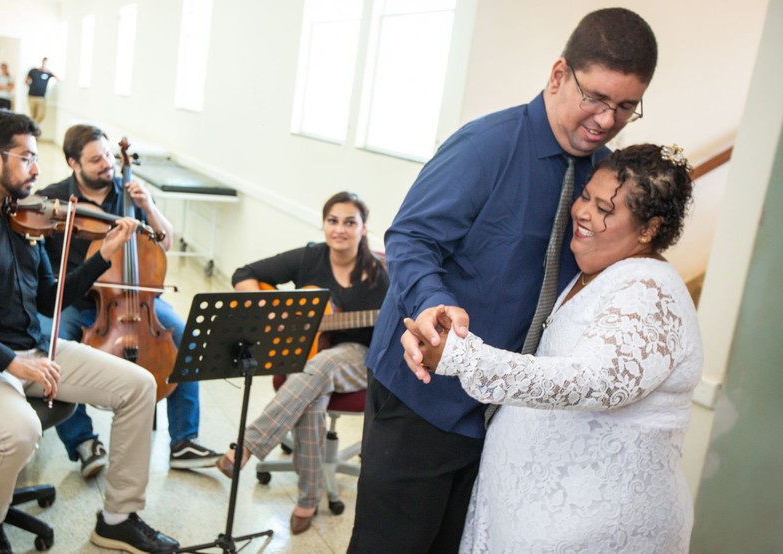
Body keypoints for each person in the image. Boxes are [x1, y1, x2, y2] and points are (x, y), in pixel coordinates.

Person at [348, 8, 659, 553]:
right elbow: (412, 237)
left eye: (626, 106)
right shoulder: (485, 146)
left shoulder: (605, 174)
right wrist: (434, 302)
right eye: (596, 98)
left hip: (504, 417)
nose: (607, 120)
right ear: (559, 75)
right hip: (425, 399)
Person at [405, 144, 700, 552]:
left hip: (593, 529)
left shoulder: (650, 290)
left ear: (649, 229)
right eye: (586, 197)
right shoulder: (598, 273)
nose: (583, 213)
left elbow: (594, 381)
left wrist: (464, 358)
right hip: (531, 515)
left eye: (604, 209)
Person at [0, 110, 178, 554]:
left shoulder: (22, 219)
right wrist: (11, 362)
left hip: (29, 350)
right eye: (27, 158)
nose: (36, 169)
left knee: (139, 385)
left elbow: (49, 299)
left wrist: (103, 256)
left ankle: (117, 519)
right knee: (20, 430)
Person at [37, 124, 221, 476]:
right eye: (96, 159)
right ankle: (83, 442)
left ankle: (184, 441)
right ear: (73, 163)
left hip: (136, 297)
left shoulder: (130, 193)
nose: (107, 164)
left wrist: (148, 207)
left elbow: (164, 243)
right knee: (52, 346)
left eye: (108, 155)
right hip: (79, 300)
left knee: (185, 335)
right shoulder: (56, 199)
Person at [218, 191, 389, 535]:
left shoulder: (376, 274)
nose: (340, 229)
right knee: (313, 397)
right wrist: (269, 312)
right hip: (307, 355)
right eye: (333, 220)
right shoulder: (311, 257)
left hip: (359, 355)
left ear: (364, 228)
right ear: (324, 224)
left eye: (350, 222)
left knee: (324, 364)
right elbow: (244, 273)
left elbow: (386, 334)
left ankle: (248, 444)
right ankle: (309, 497)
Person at [25, 57, 57, 124]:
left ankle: (33, 125)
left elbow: (57, 77)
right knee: (33, 115)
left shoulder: (48, 73)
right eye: (44, 62)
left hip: (41, 97)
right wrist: (32, 87)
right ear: (42, 62)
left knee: (41, 115)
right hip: (32, 96)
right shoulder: (33, 71)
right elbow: (26, 80)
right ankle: (33, 127)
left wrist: (48, 70)